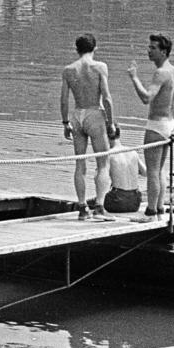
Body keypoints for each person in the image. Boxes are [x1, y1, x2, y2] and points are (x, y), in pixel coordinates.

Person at [60, 34, 118, 219]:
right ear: (95, 48)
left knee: (80, 164)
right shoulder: (100, 67)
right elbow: (107, 97)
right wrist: (110, 122)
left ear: (76, 49)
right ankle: (100, 206)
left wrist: (65, 122)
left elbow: (63, 99)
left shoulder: (69, 70)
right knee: (103, 162)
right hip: (94, 113)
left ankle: (82, 207)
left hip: (77, 114)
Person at [127, 33, 174, 217]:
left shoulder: (161, 73)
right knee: (159, 169)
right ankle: (159, 206)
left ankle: (151, 209)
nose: (149, 51)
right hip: (169, 124)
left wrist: (134, 77)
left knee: (152, 170)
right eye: (149, 47)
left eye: (153, 48)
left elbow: (146, 98)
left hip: (156, 125)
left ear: (164, 51)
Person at [102, 144, 145, 216]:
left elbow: (102, 178)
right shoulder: (133, 152)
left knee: (96, 200)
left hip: (117, 202)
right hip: (135, 203)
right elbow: (145, 172)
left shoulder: (108, 154)